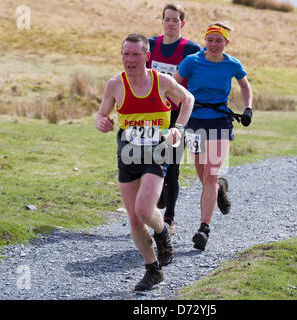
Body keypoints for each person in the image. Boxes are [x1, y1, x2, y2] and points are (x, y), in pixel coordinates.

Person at [95, 34, 194, 291]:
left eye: (135, 54)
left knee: (143, 208)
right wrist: (101, 122)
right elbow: (102, 113)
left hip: (157, 149)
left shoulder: (161, 81)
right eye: (126, 54)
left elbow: (188, 99)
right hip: (127, 151)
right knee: (134, 219)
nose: (130, 59)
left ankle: (162, 231)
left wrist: (178, 128)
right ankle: (153, 270)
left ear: (147, 56)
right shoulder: (115, 84)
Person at [174, 23, 253, 251]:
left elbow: (245, 87)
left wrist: (248, 109)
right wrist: (176, 109)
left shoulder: (232, 64)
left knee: (209, 177)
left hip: (220, 120)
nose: (214, 44)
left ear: (226, 43)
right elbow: (173, 83)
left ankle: (203, 230)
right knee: (204, 178)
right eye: (210, 39)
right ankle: (220, 189)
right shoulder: (192, 61)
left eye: (219, 40)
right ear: (205, 41)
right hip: (195, 121)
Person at [147, 3, 200, 234]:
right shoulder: (150, 45)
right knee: (149, 162)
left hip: (177, 115)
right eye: (167, 19)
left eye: (175, 20)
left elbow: (196, 81)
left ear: (182, 23)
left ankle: (169, 218)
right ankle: (157, 196)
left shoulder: (190, 49)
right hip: (153, 115)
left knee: (173, 167)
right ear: (162, 21)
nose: (170, 24)